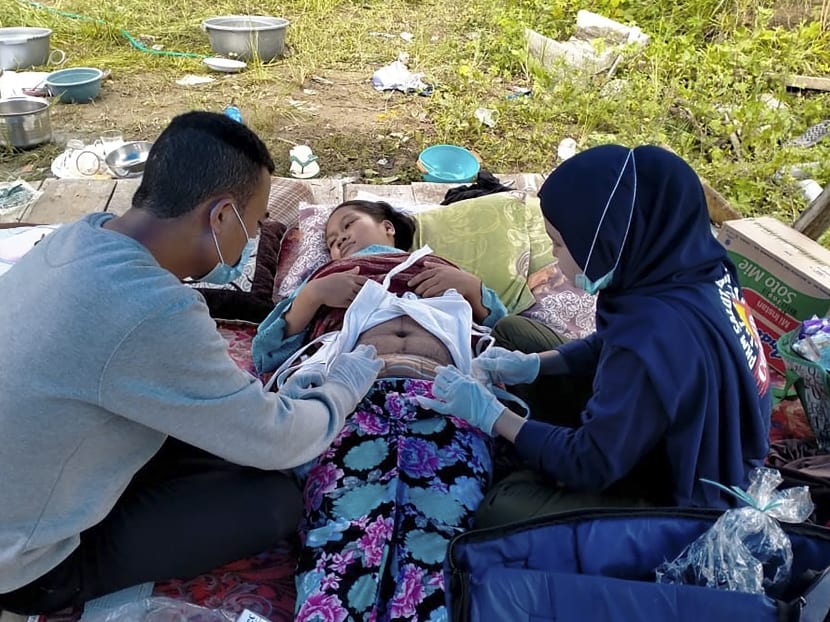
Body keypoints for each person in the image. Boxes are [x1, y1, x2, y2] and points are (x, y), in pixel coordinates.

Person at [0, 111, 382, 615]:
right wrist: (342, 386)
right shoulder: (150, 306)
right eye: (256, 223)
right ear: (221, 215)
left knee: (228, 445)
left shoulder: (80, 235)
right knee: (273, 502)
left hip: (32, 477)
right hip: (25, 563)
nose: (250, 242)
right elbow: (280, 440)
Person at [417, 144, 772, 527]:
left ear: (607, 242)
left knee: (505, 507)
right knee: (514, 333)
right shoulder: (694, 267)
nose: (554, 258)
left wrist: (492, 415)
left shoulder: (654, 340)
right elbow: (613, 340)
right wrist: (535, 365)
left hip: (679, 493)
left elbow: (590, 464)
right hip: (673, 429)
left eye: (559, 243)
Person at [252, 200, 508, 622]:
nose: (340, 241)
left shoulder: (437, 266)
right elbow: (267, 352)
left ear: (388, 227)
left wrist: (469, 285)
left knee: (444, 532)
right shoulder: (326, 279)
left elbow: (498, 325)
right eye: (332, 242)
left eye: (348, 225)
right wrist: (315, 295)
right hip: (349, 401)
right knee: (341, 531)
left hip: (447, 401)